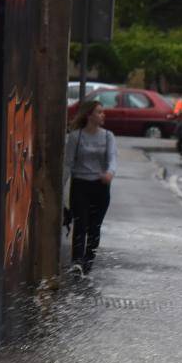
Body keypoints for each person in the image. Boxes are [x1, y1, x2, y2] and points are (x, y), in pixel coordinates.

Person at [64, 98, 118, 272]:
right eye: (99, 112)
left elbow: (112, 159)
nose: (103, 115)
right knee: (80, 223)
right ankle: (77, 261)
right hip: (80, 185)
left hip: (100, 186)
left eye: (103, 112)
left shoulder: (108, 136)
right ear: (89, 115)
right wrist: (61, 184)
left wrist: (110, 173)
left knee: (94, 226)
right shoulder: (76, 137)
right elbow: (68, 163)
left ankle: (88, 261)